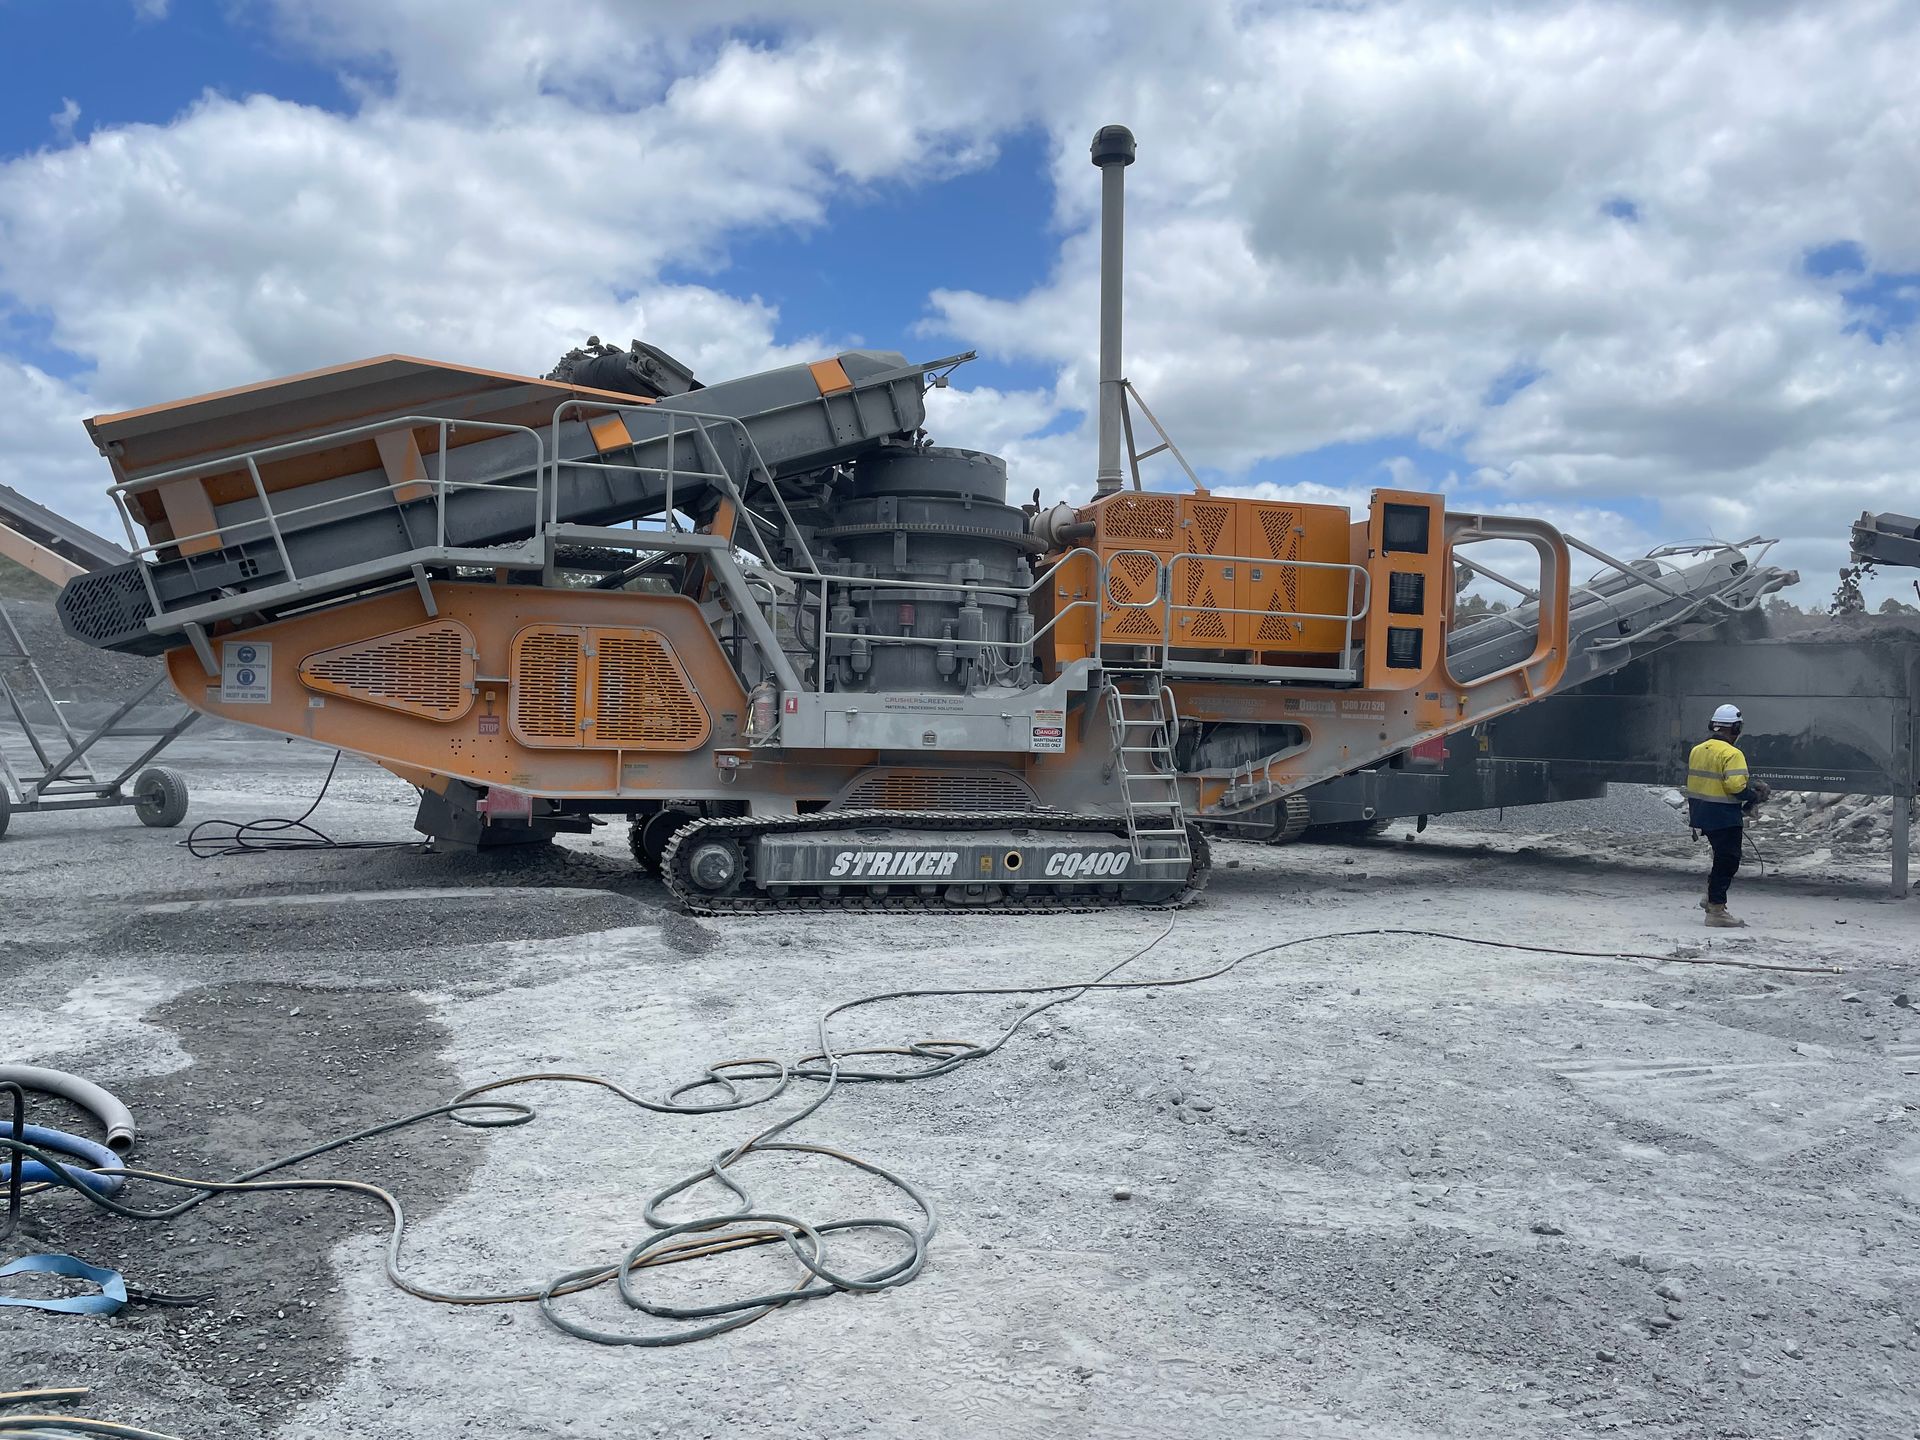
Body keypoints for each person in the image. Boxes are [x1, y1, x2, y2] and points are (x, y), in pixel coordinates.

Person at [1685, 703, 1769, 927]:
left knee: (1721, 858)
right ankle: (1716, 910)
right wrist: (1754, 796)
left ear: (1713, 726)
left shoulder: (1698, 750)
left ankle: (1711, 896)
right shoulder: (1732, 754)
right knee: (1728, 860)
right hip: (1722, 816)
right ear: (1736, 728)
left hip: (1701, 812)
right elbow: (1735, 787)